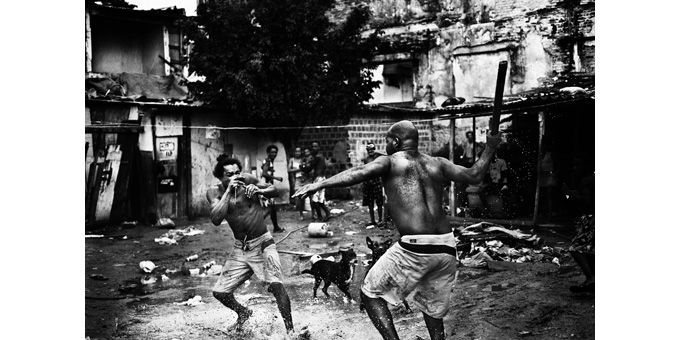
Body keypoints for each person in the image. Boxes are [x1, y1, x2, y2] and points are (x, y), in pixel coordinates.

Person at [294, 120, 500, 340]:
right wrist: (490, 147)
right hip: (446, 247)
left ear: (395, 141)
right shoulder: (438, 163)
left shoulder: (390, 161)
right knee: (431, 307)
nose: (386, 146)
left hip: (415, 248)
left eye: (387, 141)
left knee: (369, 293)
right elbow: (475, 175)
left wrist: (319, 184)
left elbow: (360, 171)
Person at [206, 155, 295, 334]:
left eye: (237, 173)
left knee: (276, 285)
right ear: (220, 177)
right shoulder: (214, 193)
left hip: (263, 243)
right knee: (220, 292)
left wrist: (259, 190)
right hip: (241, 248)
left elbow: (274, 189)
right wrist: (228, 191)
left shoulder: (248, 180)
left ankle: (291, 332)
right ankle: (243, 312)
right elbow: (216, 218)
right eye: (229, 174)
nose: (235, 177)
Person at [261, 145, 285, 232]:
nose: (274, 154)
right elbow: (264, 173)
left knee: (272, 208)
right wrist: (276, 178)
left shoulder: (269, 161)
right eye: (272, 152)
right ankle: (255, 225)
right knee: (270, 208)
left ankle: (276, 227)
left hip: (267, 186)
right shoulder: (267, 161)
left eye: (275, 152)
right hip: (266, 187)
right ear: (268, 153)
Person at [361, 143, 384, 227]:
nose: (370, 151)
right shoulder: (366, 159)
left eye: (372, 149)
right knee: (370, 203)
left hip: (377, 181)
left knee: (379, 202)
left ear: (374, 149)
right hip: (368, 182)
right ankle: (372, 220)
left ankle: (381, 219)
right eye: (368, 150)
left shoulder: (379, 157)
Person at [309, 141, 331, 222]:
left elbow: (309, 168)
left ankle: (320, 216)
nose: (313, 148)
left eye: (315, 146)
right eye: (312, 146)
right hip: (321, 178)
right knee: (319, 199)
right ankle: (327, 214)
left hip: (318, 179)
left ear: (319, 148)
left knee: (315, 200)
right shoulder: (321, 157)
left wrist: (303, 166)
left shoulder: (317, 157)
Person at [288, 147, 305, 220]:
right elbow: (289, 170)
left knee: (304, 196)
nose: (297, 153)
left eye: (299, 151)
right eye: (296, 151)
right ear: (294, 152)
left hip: (304, 179)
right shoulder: (292, 160)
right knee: (298, 197)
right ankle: (300, 212)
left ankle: (304, 214)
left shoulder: (303, 159)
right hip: (297, 179)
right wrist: (298, 169)